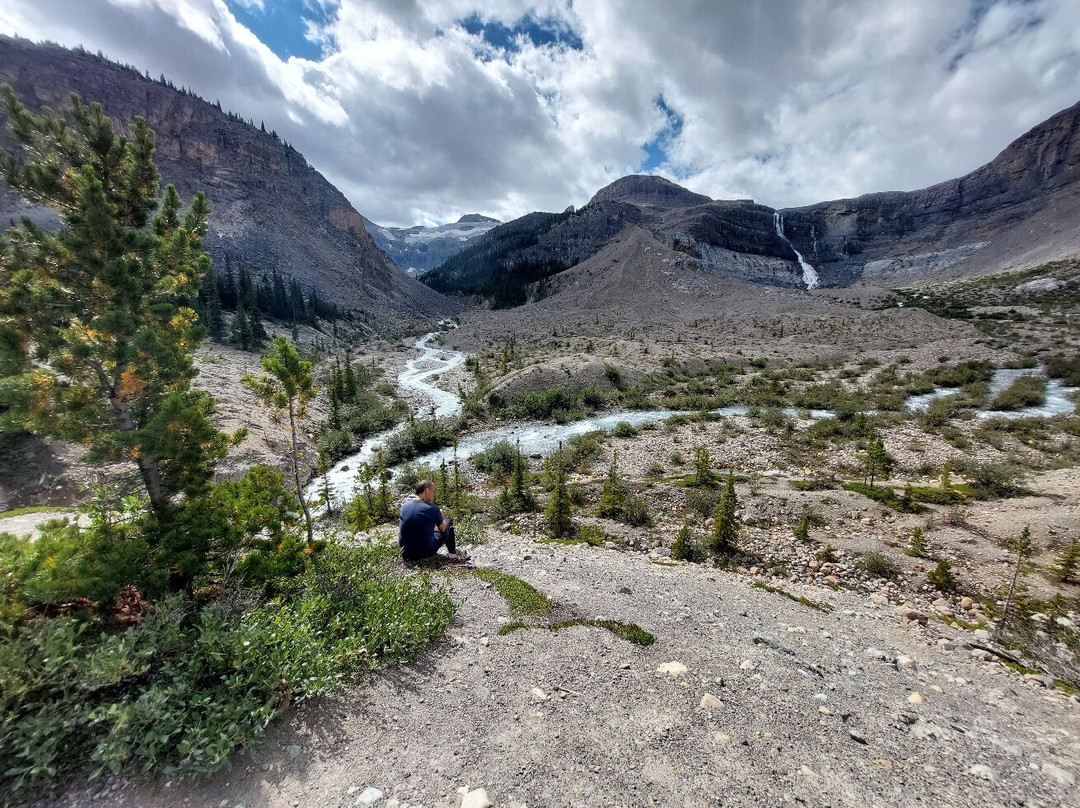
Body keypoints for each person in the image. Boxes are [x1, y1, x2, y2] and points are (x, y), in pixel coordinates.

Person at [398, 479, 469, 562]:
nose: (434, 495)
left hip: (404, 553)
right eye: (433, 491)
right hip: (424, 553)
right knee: (448, 522)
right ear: (427, 491)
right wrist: (441, 516)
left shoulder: (404, 506)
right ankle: (452, 554)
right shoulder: (432, 508)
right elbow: (443, 529)